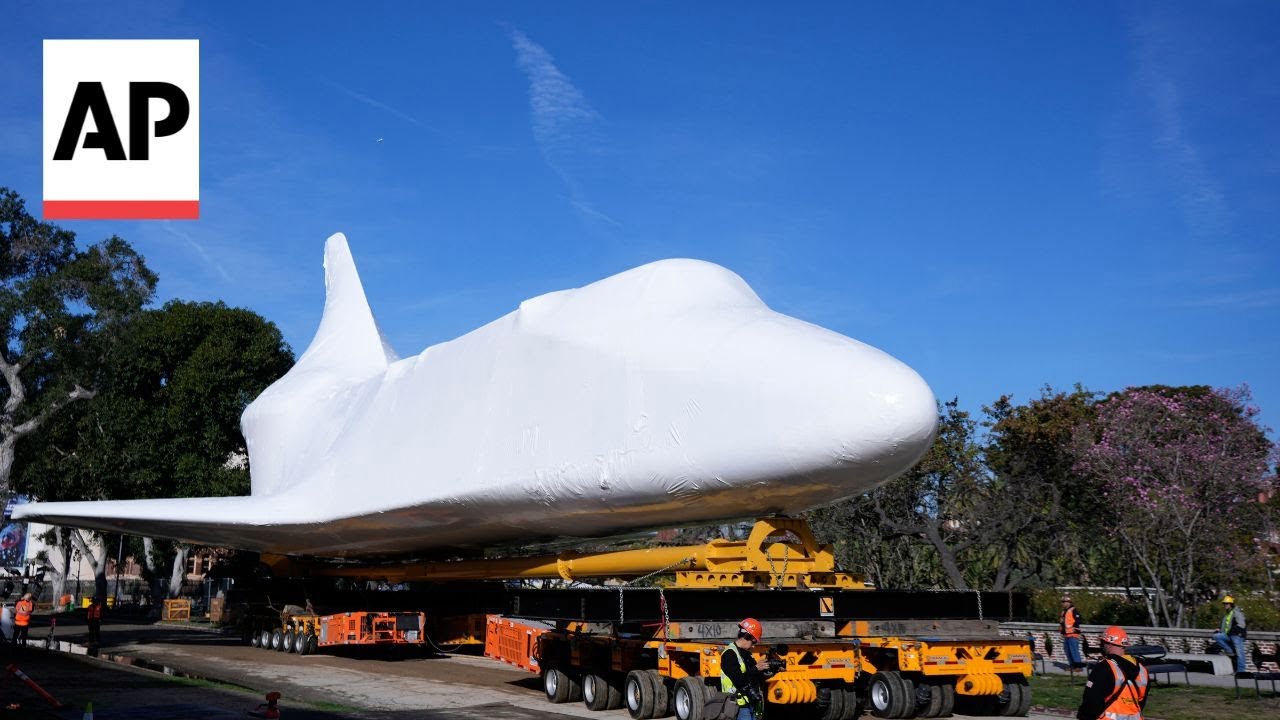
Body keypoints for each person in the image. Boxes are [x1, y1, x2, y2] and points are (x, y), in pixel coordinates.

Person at [1076, 625, 1148, 720]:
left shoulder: (1104, 668)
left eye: (1102, 643)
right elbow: (1141, 701)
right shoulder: (1142, 669)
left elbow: (1091, 702)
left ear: (1108, 643)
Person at [721, 617, 770, 720]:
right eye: (753, 642)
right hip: (738, 705)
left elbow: (755, 677)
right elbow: (738, 679)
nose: (753, 646)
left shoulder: (747, 654)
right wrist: (756, 668)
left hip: (751, 702)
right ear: (747, 636)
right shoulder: (729, 654)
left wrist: (770, 671)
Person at [1211, 595, 1248, 674]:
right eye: (1224, 604)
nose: (1225, 605)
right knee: (1216, 636)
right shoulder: (1228, 614)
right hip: (1228, 635)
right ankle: (1229, 650)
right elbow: (1227, 625)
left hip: (1237, 636)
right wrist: (1220, 629)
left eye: (1227, 603)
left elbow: (1242, 624)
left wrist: (1234, 631)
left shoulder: (1236, 612)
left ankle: (1241, 671)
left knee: (1239, 653)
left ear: (1231, 604)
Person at [1060, 595, 1085, 668]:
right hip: (1066, 635)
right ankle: (1072, 666)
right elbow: (1062, 623)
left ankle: (1078, 667)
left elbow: (1078, 620)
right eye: (1062, 602)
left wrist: (1074, 628)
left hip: (1073, 635)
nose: (1063, 603)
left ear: (1069, 602)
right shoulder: (1064, 612)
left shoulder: (1073, 610)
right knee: (1068, 651)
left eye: (1064, 602)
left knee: (1074, 651)